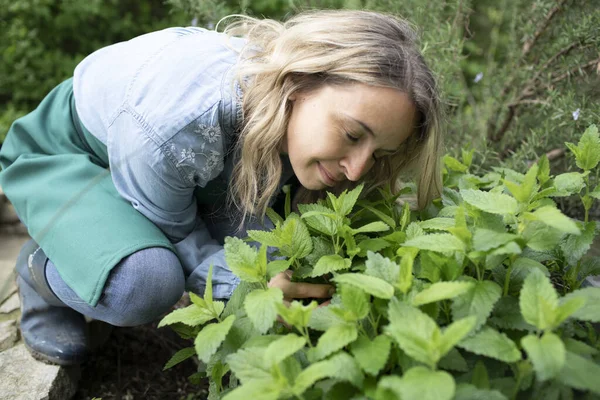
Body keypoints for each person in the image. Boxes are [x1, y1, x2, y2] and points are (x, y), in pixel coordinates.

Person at [0, 9, 444, 366]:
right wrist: (248, 288)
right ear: (298, 84)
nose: (357, 169)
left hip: (167, 164)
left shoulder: (279, 117)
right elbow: (176, 235)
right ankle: (40, 273)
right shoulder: (184, 120)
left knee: (266, 255)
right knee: (144, 282)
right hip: (73, 155)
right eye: (351, 135)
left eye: (380, 154)